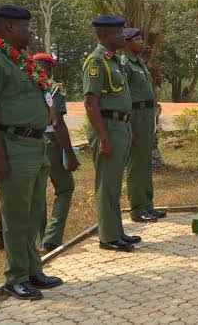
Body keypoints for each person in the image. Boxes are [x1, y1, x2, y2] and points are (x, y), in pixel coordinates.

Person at [0, 4, 63, 300]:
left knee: (35, 212)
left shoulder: (21, 60)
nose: (30, 32)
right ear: (9, 27)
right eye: (26, 27)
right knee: (15, 216)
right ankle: (15, 277)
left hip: (35, 145)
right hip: (11, 146)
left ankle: (32, 270)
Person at [82, 15, 141, 252]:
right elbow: (90, 103)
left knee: (115, 184)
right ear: (104, 35)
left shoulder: (113, 61)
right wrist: (104, 138)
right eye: (118, 33)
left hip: (120, 126)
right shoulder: (96, 62)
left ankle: (117, 232)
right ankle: (107, 237)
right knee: (107, 185)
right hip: (107, 127)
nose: (122, 36)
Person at [34, 53, 80, 254]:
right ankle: (50, 240)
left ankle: (39, 239)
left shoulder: (27, 86)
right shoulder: (53, 88)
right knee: (65, 187)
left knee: (38, 191)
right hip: (50, 141)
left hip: (31, 141)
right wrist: (70, 153)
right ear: (51, 69)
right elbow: (57, 123)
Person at [122, 28, 166, 222]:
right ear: (126, 42)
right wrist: (128, 126)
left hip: (147, 115)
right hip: (135, 116)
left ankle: (148, 205)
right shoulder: (125, 64)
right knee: (136, 164)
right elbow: (123, 96)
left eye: (141, 38)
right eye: (137, 39)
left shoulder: (139, 63)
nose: (142, 42)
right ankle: (137, 208)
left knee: (146, 163)